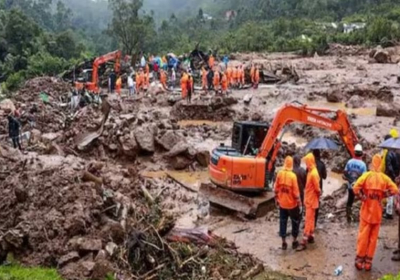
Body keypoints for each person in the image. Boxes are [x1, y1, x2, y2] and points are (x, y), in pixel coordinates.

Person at [353, 154, 399, 271]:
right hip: (377, 213)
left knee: (363, 236)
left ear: (373, 163)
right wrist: (384, 195)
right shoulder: (384, 178)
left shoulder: (367, 176)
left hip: (366, 211)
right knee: (373, 238)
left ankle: (359, 259)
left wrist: (362, 197)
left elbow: (355, 188)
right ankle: (368, 261)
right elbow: (395, 189)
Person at [275, 156, 302, 250]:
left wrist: (277, 199)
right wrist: (300, 203)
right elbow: (296, 192)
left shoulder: (279, 174)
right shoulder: (293, 176)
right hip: (292, 205)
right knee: (295, 221)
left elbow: (276, 188)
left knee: (283, 222)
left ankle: (283, 242)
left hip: (282, 203)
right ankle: (294, 241)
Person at [297, 153, 321, 251]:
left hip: (311, 200)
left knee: (308, 220)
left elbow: (317, 189)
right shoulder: (312, 171)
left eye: (306, 162)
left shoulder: (313, 173)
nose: (305, 164)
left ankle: (304, 240)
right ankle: (311, 236)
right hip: (310, 199)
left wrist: (318, 194)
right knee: (311, 219)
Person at [343, 144, 367, 223]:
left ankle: (348, 218)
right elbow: (364, 178)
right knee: (363, 201)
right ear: (361, 153)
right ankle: (362, 216)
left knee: (349, 201)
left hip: (351, 186)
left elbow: (345, 172)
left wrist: (351, 180)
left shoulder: (350, 162)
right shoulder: (363, 165)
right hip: (359, 188)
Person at [382, 129, 400, 220]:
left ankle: (389, 213)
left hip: (391, 176)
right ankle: (396, 208)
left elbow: (389, 167)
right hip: (397, 175)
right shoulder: (398, 152)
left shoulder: (389, 154)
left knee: (389, 194)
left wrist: (392, 176)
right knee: (396, 193)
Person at [312, 149, 327, 227]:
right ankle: (314, 222)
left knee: (310, 205)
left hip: (310, 188)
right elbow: (324, 177)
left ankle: (310, 221)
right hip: (318, 187)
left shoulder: (310, 164)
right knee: (316, 204)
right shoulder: (322, 164)